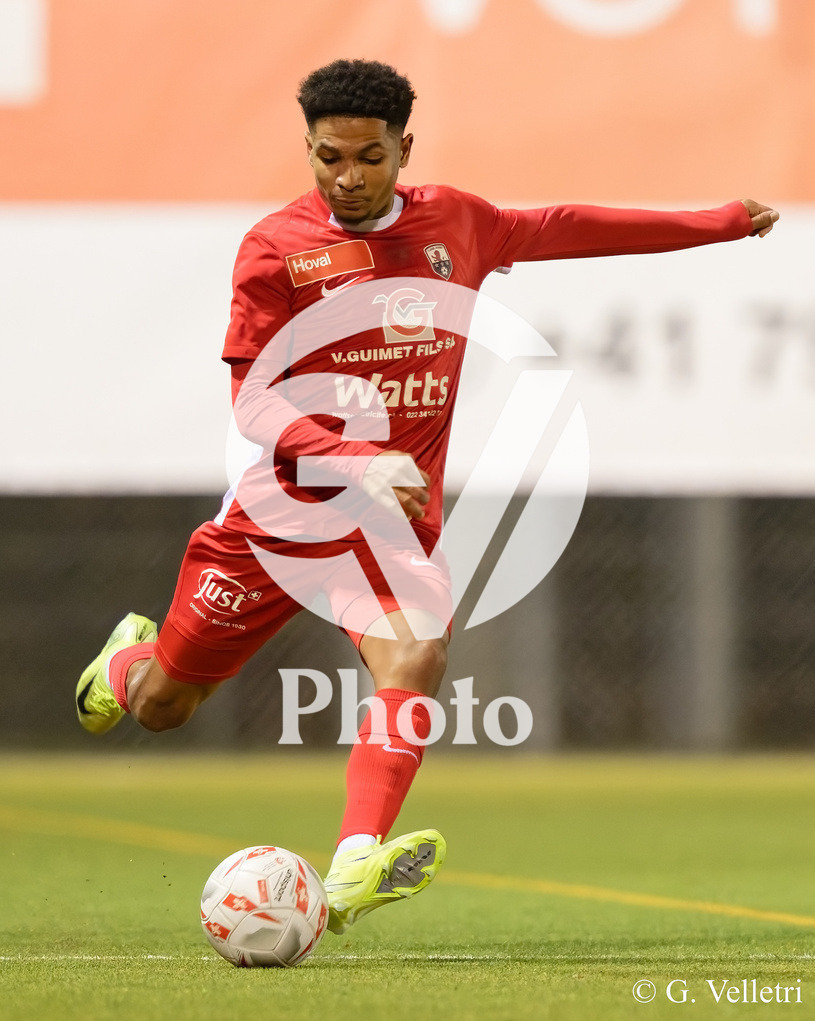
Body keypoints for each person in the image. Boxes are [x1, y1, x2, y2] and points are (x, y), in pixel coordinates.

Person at [75, 59, 779, 935]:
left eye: (369, 156)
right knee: (163, 710)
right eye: (328, 157)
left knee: (414, 660)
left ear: (405, 147)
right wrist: (349, 459)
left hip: (388, 527)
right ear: (308, 148)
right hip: (278, 521)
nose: (348, 176)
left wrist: (713, 223)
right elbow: (252, 401)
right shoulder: (274, 248)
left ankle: (353, 862)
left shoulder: (457, 223)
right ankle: (127, 664)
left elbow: (565, 226)